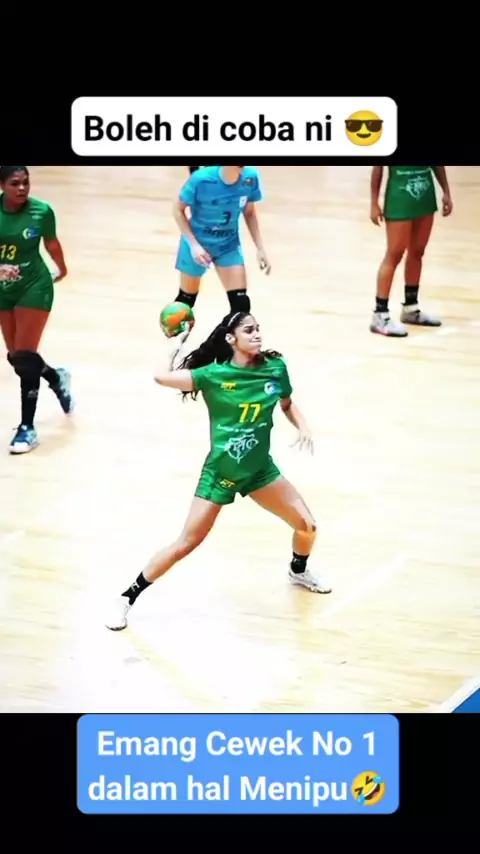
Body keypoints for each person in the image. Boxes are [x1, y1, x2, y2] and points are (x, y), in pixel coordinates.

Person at [105, 311, 331, 631]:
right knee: (186, 543)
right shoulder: (212, 376)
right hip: (220, 474)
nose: (257, 334)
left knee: (307, 526)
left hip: (260, 470)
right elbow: (161, 377)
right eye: (248, 330)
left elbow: (286, 403)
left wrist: (302, 425)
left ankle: (298, 570)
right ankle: (126, 598)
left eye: (258, 329)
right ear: (231, 339)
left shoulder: (275, 367)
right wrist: (175, 344)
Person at [0, 165, 74, 453]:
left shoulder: (41, 211)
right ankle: (57, 378)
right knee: (16, 358)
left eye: (25, 182)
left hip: (34, 286)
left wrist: (62, 269)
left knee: (26, 356)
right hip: (3, 290)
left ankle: (27, 428)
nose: (22, 188)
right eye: (15, 183)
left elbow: (51, 242)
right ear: (2, 185)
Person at [168, 165, 271, 332]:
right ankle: (174, 342)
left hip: (228, 245)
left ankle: (222, 344)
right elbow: (178, 210)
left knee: (241, 307)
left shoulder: (250, 177)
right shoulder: (201, 179)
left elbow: (249, 212)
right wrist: (194, 245)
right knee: (185, 303)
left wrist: (260, 248)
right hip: (198, 244)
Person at [369, 166, 453, 337]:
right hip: (400, 197)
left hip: (425, 196)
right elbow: (377, 169)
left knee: (417, 251)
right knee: (394, 254)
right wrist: (374, 203)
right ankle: (380, 315)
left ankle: (411, 308)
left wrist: (446, 191)